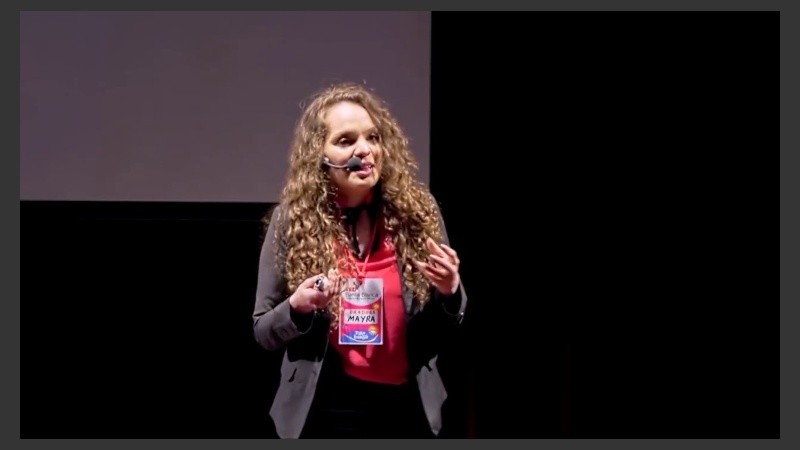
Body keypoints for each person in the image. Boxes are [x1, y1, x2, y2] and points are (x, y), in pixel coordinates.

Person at [252, 81, 467, 439]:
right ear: (318, 156)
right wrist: (298, 307)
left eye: (373, 137)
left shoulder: (417, 213)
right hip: (327, 408)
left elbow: (444, 332)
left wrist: (450, 292)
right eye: (345, 140)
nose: (365, 150)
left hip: (405, 408)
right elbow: (263, 329)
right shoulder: (292, 219)